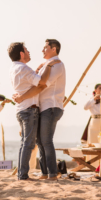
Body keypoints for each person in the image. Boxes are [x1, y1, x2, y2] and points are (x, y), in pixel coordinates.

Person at [12, 39, 65, 180]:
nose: (42, 50)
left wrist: (22, 97)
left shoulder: (56, 64)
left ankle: (52, 173)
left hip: (51, 106)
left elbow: (42, 85)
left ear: (54, 49)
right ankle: (45, 172)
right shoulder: (47, 65)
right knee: (40, 141)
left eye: (45, 47)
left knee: (45, 140)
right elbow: (34, 81)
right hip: (43, 107)